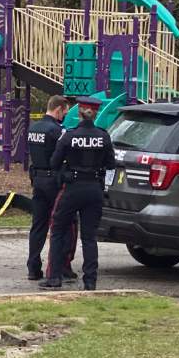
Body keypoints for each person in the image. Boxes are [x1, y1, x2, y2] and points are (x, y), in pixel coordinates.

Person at [39, 95, 116, 291]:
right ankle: (90, 281)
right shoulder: (104, 136)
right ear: (96, 113)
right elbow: (111, 164)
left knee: (57, 230)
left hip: (72, 189)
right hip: (94, 189)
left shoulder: (69, 136)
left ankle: (54, 277)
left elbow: (54, 163)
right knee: (89, 237)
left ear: (79, 113)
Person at [25, 95, 76, 281]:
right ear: (58, 109)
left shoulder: (33, 128)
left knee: (38, 225)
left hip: (37, 180)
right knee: (64, 223)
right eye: (65, 113)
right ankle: (61, 266)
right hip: (54, 181)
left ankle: (33, 267)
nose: (65, 116)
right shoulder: (57, 130)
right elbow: (65, 155)